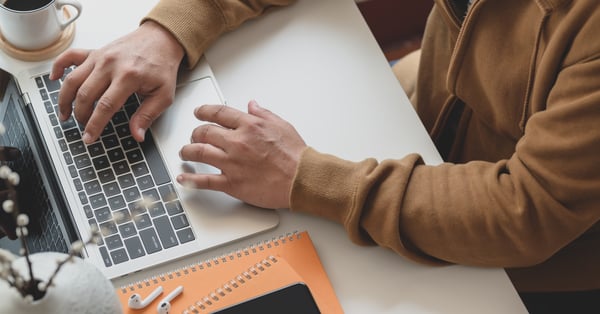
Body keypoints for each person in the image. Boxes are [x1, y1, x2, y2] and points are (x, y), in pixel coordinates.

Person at [47, 0, 600, 312]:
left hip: (534, 259)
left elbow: (529, 211)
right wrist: (172, 29)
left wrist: (305, 177)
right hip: (425, 117)